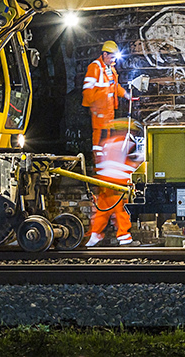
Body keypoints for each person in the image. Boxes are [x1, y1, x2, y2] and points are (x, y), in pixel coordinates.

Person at [86, 119, 144, 247]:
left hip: (104, 182)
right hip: (119, 183)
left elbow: (100, 162)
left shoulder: (107, 143)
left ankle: (95, 236)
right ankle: (125, 238)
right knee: (121, 210)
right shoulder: (126, 143)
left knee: (103, 210)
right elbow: (136, 160)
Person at [81, 40, 128, 159]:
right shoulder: (95, 67)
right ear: (105, 54)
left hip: (109, 108)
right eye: (112, 57)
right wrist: (93, 107)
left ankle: (105, 159)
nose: (114, 60)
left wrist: (126, 95)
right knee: (99, 134)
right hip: (99, 108)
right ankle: (97, 160)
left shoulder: (111, 69)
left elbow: (115, 86)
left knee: (107, 134)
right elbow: (88, 89)